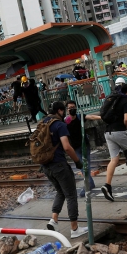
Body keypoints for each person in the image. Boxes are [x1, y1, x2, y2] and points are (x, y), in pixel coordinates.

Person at [41, 102, 88, 239]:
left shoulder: (43, 122)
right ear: (60, 111)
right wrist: (77, 162)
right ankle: (74, 228)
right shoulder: (59, 125)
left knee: (61, 192)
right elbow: (67, 147)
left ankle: (53, 220)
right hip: (59, 165)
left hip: (46, 165)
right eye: (64, 110)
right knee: (71, 195)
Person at [65, 100, 101, 197]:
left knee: (86, 165)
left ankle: (89, 184)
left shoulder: (79, 116)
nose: (72, 109)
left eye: (73, 107)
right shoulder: (65, 121)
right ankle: (88, 185)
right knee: (82, 165)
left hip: (85, 144)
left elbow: (91, 117)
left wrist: (102, 117)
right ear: (67, 110)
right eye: (70, 108)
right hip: (75, 147)